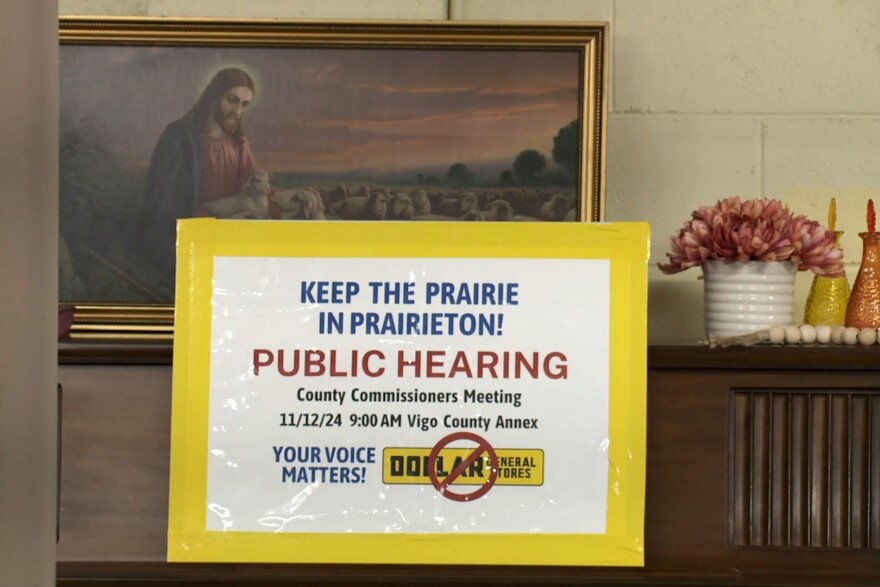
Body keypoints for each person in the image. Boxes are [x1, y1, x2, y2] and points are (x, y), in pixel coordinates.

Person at [142, 67, 257, 290]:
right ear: (214, 97)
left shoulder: (239, 142)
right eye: (232, 100)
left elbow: (254, 187)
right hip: (192, 233)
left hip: (229, 229)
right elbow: (163, 198)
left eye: (244, 105)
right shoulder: (180, 135)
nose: (237, 110)